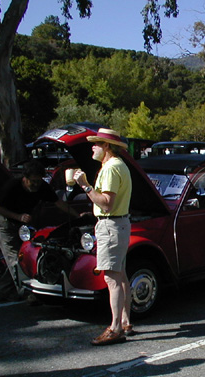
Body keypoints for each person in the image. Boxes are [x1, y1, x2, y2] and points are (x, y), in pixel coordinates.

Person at [74, 128, 133, 346]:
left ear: (106, 146)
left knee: (111, 278)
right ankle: (125, 322)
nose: (93, 147)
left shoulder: (110, 168)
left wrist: (85, 185)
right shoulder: (120, 166)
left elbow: (106, 202)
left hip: (111, 226)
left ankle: (116, 328)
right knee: (121, 275)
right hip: (120, 223)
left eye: (96, 144)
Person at [0, 160, 81, 303]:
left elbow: (58, 203)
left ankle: (2, 291)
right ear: (24, 178)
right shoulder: (12, 186)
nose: (35, 185)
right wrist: (18, 216)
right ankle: (26, 293)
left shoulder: (42, 187)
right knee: (15, 258)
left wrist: (77, 216)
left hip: (23, 225)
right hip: (5, 221)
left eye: (38, 181)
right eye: (32, 181)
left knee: (24, 255)